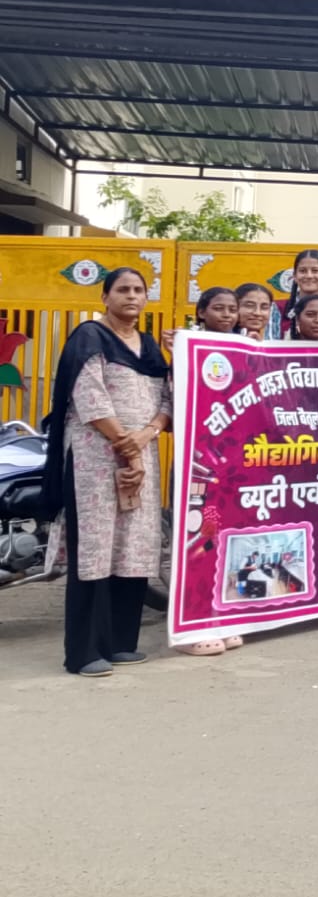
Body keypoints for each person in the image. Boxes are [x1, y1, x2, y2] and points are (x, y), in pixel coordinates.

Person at [43, 268, 172, 676]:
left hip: (141, 458)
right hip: (95, 461)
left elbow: (168, 400)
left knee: (133, 546)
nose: (131, 296)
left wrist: (146, 435)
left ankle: (120, 643)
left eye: (138, 290)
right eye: (123, 290)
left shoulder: (149, 346)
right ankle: (85, 652)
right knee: (95, 550)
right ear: (105, 297)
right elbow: (90, 399)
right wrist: (127, 446)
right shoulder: (90, 337)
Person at [271, 248, 318, 339]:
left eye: (315, 271)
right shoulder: (278, 308)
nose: (309, 276)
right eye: (302, 271)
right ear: (294, 276)